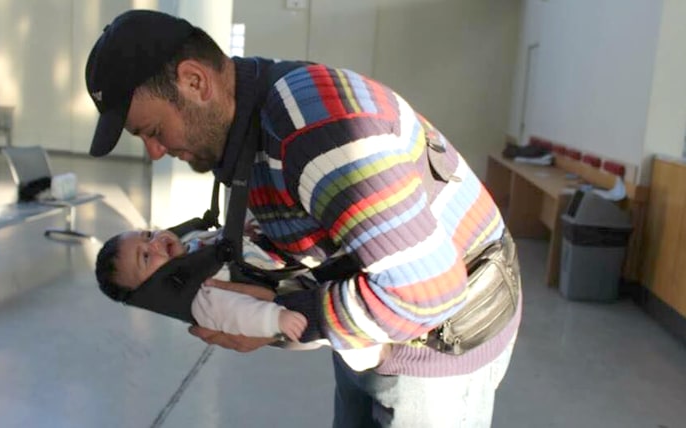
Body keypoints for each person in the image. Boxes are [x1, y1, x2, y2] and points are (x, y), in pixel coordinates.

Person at [85, 9, 522, 428]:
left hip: (437, 345)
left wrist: (280, 321)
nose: (155, 152)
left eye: (153, 131)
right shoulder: (246, 134)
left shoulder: (313, 129)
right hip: (370, 324)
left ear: (195, 82)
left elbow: (427, 293)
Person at [94, 226, 386, 371]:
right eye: (146, 256)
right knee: (341, 290)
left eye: (147, 234)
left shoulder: (188, 249)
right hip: (291, 296)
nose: (155, 242)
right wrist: (276, 318)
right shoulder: (201, 296)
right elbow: (237, 313)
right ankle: (362, 348)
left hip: (282, 263)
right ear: (151, 291)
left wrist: (237, 230)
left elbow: (218, 238)